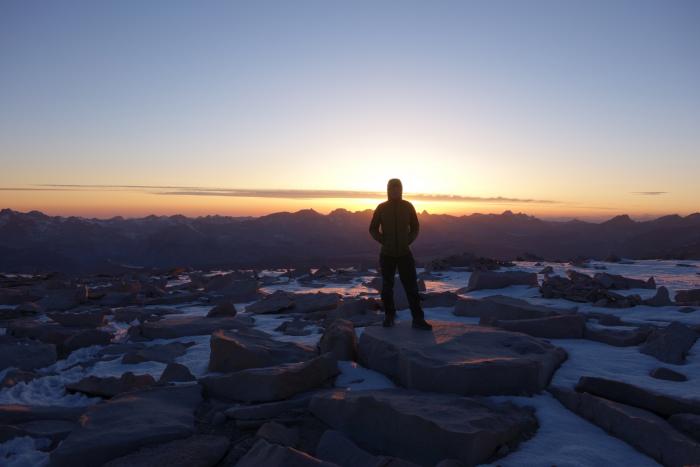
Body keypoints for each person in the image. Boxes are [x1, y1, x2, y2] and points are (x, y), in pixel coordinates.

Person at [368, 178, 432, 330]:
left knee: (411, 287)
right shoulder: (382, 207)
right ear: (388, 190)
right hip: (387, 253)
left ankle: (418, 319)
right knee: (387, 287)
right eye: (392, 188)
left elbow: (415, 227)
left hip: (405, 252)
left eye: (398, 188)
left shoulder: (408, 206)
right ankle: (389, 316)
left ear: (401, 189)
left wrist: (408, 240)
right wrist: (382, 240)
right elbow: (372, 228)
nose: (395, 190)